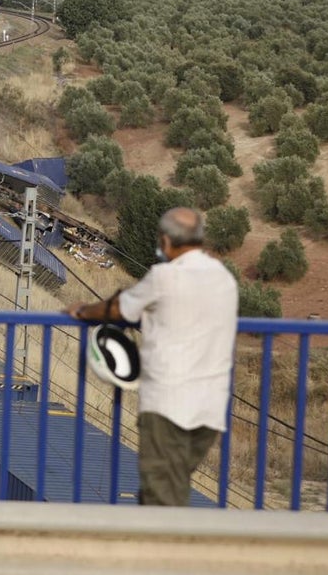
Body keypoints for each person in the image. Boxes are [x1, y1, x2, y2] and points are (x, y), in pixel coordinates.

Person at [66, 207, 238, 506]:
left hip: (169, 404)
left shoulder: (164, 277)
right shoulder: (224, 279)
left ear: (167, 240)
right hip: (210, 406)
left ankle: (161, 550)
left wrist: (83, 311)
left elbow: (120, 309)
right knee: (170, 486)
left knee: (161, 496)